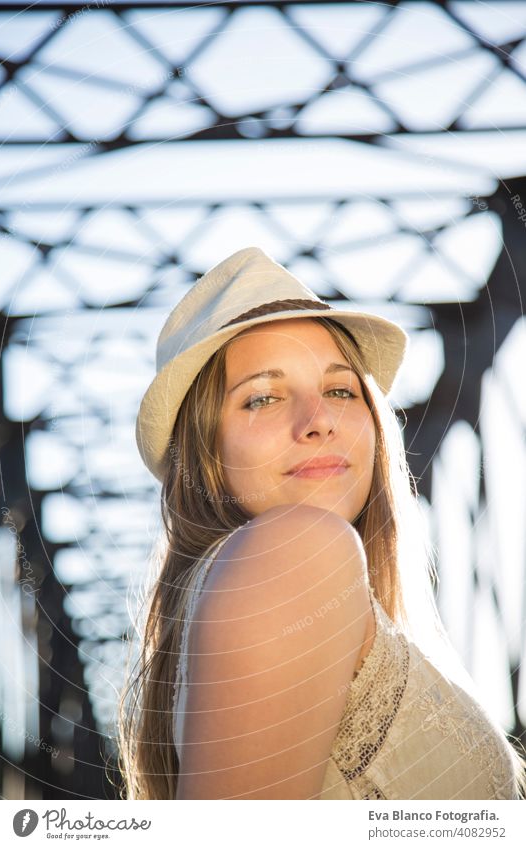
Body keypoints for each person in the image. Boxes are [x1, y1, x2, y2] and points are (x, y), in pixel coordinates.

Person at [117, 246, 526, 800]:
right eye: (262, 398)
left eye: (339, 390)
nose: (319, 421)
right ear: (204, 457)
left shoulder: (263, 586)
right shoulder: (295, 550)